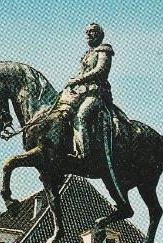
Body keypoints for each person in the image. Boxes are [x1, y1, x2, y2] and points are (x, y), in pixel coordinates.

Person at [58, 23, 123, 194]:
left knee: (81, 116)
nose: (88, 34)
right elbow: (82, 73)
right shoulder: (87, 54)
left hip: (96, 93)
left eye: (92, 32)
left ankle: (83, 155)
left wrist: (78, 80)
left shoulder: (104, 50)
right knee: (62, 112)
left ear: (99, 35)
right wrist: (74, 82)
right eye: (86, 32)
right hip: (81, 93)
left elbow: (101, 71)